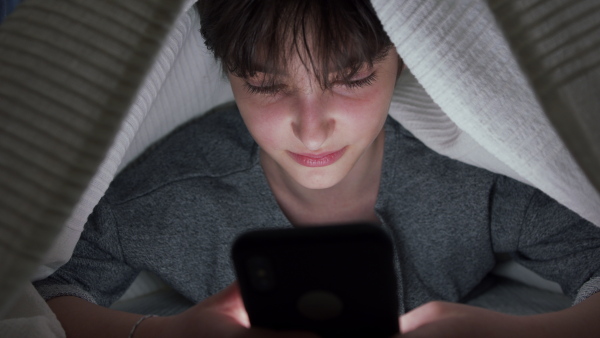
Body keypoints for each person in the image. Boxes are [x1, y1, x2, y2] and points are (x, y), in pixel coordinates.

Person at [34, 0, 600, 337]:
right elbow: (39, 292)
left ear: (402, 59)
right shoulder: (164, 200)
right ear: (228, 74)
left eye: (351, 78)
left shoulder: (476, 181)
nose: (310, 128)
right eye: (264, 84)